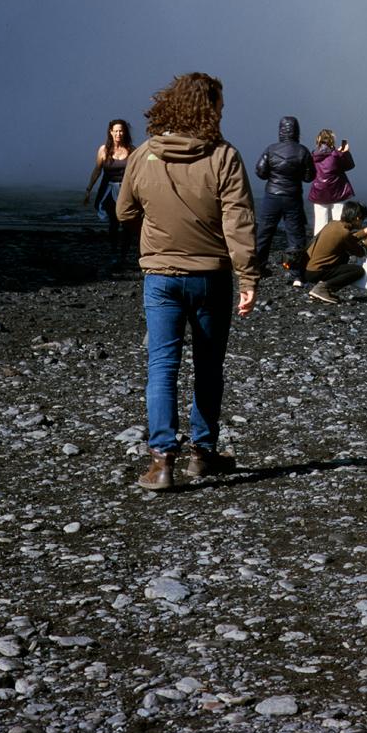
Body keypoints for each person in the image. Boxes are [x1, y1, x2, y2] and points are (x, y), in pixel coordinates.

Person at [114, 72, 258, 490]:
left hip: (160, 277)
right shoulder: (224, 156)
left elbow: (125, 212)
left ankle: (161, 463)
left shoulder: (143, 155)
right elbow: (238, 220)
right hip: (211, 277)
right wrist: (248, 276)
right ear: (209, 109)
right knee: (209, 366)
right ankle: (204, 454)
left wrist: (157, 224)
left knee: (162, 365)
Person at [253, 115, 312, 279]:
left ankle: (258, 268)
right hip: (293, 196)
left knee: (264, 233)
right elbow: (309, 176)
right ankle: (296, 273)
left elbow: (260, 172)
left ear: (280, 131)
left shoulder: (271, 149)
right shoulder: (302, 151)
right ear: (297, 131)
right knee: (295, 234)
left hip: (272, 195)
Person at [302, 200, 367, 304]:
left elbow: (349, 238)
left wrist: (366, 231)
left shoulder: (333, 224)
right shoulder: (344, 233)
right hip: (317, 272)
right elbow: (361, 252)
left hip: (309, 269)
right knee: (358, 271)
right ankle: (322, 289)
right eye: (362, 219)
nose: (362, 223)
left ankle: (321, 287)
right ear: (357, 218)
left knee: (344, 256)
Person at [81, 118, 135, 266]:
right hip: (109, 190)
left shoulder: (132, 150)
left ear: (125, 132)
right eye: (116, 131)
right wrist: (88, 190)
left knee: (127, 224)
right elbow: (97, 171)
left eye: (121, 130)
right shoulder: (104, 150)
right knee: (113, 222)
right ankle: (113, 253)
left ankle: (123, 255)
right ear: (111, 132)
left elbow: (137, 174)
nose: (118, 133)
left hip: (126, 191)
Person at [309, 129, 355, 234]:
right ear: (332, 140)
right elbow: (350, 166)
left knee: (320, 223)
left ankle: (319, 247)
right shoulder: (336, 155)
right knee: (339, 221)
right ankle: (338, 245)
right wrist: (345, 153)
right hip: (337, 191)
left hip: (319, 192)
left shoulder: (313, 155)